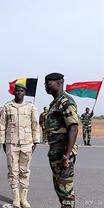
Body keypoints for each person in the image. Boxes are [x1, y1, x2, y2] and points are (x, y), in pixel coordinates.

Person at [0, 83, 40, 208]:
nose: (19, 93)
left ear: (25, 92)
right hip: (11, 143)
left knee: (25, 171)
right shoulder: (7, 106)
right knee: (13, 171)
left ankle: (24, 199)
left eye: (21, 91)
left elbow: (35, 124)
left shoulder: (30, 107)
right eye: (17, 91)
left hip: (27, 143)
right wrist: (2, 142)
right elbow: (2, 126)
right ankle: (16, 199)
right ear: (13, 92)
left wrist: (36, 141)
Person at [45, 73, 79, 208]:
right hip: (56, 153)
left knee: (66, 191)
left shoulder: (65, 101)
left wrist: (66, 155)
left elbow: (74, 128)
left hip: (63, 154)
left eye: (48, 84)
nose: (46, 87)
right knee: (61, 189)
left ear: (59, 83)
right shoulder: (55, 102)